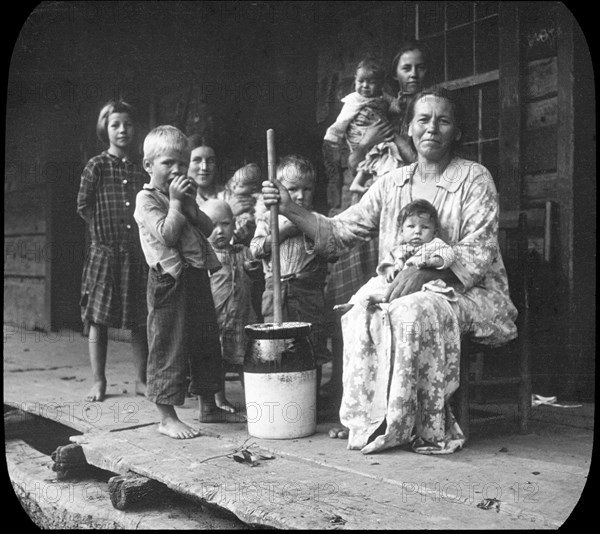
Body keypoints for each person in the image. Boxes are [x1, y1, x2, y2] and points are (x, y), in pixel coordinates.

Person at [262, 88, 518, 455]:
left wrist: (425, 275)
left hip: (468, 293)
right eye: (423, 120)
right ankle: (370, 419)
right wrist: (290, 209)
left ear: (456, 132)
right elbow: (340, 232)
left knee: (408, 310)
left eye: (443, 121)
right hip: (401, 286)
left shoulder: (474, 179)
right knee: (358, 307)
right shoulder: (392, 183)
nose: (432, 128)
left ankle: (408, 425)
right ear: (409, 128)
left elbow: (481, 248)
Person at [321, 40, 430, 406]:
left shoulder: (428, 110)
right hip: (369, 201)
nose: (413, 74)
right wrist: (367, 140)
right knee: (351, 291)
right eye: (406, 68)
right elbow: (349, 162)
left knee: (390, 298)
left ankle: (389, 392)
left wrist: (396, 137)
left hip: (408, 212)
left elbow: (419, 161)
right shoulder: (378, 107)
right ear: (393, 75)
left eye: (419, 67)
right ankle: (344, 385)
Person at [134, 125, 223, 439]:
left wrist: (188, 206)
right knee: (168, 345)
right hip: (168, 280)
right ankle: (166, 416)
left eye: (182, 164)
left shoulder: (184, 195)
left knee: (205, 338)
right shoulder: (146, 199)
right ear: (148, 166)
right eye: (167, 163)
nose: (177, 170)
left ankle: (208, 405)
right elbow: (168, 235)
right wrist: (174, 203)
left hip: (195, 273)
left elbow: (209, 227)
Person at [77, 100, 148, 403]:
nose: (122, 130)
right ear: (104, 128)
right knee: (98, 318)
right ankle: (99, 380)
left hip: (135, 254)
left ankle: (142, 380)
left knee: (140, 318)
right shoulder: (97, 165)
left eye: (127, 124)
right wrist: (103, 234)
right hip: (104, 253)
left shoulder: (139, 168)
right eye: (115, 124)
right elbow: (83, 205)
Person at [250, 155, 334, 384]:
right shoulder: (268, 219)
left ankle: (311, 401)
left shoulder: (315, 220)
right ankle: (282, 395)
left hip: (308, 292)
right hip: (275, 290)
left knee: (310, 344)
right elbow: (255, 250)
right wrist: (283, 232)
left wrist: (306, 228)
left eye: (307, 189)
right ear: (278, 190)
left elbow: (332, 250)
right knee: (277, 345)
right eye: (293, 188)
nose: (300, 196)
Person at [336, 199, 456, 313]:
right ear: (402, 232)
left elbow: (448, 255)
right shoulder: (398, 250)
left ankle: (380, 299)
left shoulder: (435, 244)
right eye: (411, 226)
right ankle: (354, 304)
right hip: (395, 282)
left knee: (422, 295)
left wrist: (432, 262)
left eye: (425, 227)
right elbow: (386, 263)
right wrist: (389, 270)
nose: (417, 231)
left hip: (419, 282)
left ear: (434, 232)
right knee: (374, 283)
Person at [200, 199, 261, 413]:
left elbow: (256, 275)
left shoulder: (243, 251)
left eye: (225, 224)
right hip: (217, 318)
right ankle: (220, 399)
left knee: (246, 361)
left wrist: (252, 268)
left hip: (242, 317)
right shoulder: (204, 254)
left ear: (234, 224)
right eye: (211, 225)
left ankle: (254, 399)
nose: (219, 231)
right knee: (217, 362)